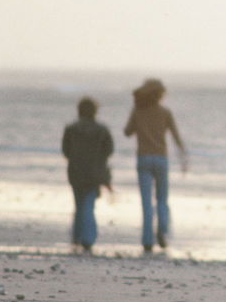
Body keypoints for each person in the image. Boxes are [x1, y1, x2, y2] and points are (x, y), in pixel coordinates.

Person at [124, 78, 188, 254]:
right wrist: (184, 156)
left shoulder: (138, 111)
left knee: (146, 201)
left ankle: (147, 240)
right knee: (162, 200)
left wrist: (140, 125)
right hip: (161, 159)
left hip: (143, 158)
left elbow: (127, 132)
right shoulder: (165, 112)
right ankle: (163, 233)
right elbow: (176, 136)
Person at [60, 96, 114, 255]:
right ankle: (88, 239)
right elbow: (109, 151)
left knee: (78, 204)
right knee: (89, 205)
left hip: (76, 171)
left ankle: (76, 237)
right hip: (95, 171)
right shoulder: (102, 130)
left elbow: (65, 151)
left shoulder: (71, 129)